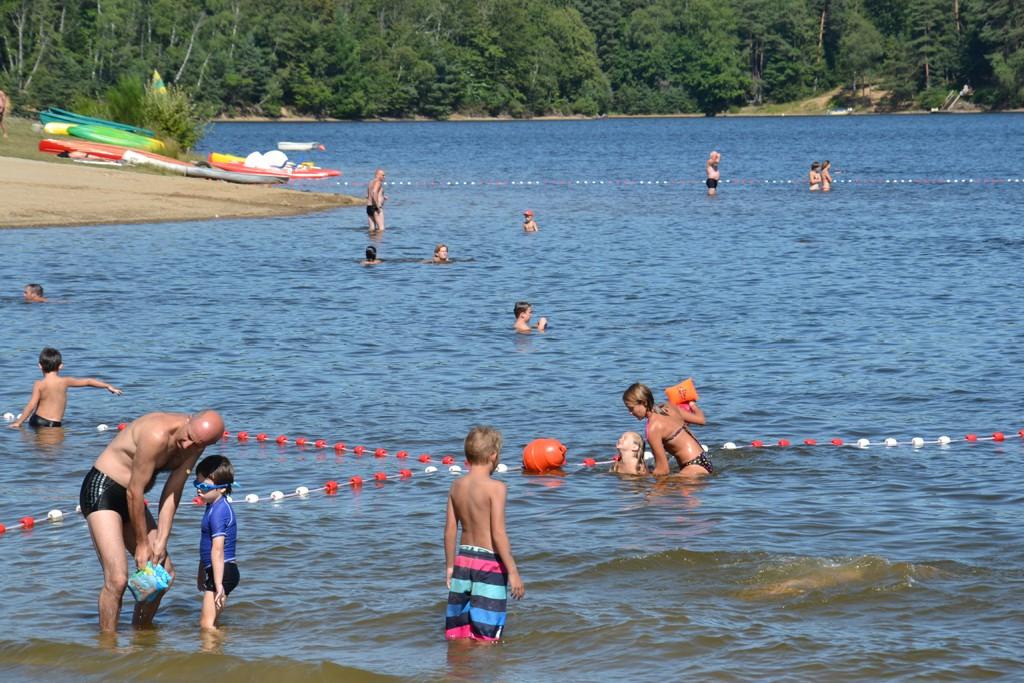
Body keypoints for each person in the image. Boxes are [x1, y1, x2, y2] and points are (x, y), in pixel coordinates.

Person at [79, 409, 225, 632]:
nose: (187, 446)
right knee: (117, 579)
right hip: (103, 490)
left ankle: (140, 634)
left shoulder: (196, 443)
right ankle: (107, 646)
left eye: (195, 444)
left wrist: (162, 540)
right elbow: (134, 492)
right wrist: (142, 543)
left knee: (164, 574)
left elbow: (173, 490)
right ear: (189, 419)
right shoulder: (155, 434)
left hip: (132, 500)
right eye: (187, 437)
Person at [444, 425, 525, 641]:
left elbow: (450, 530)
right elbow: (498, 534)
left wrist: (450, 566)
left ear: (467, 456)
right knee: (486, 634)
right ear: (493, 455)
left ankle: (459, 671)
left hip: (463, 562)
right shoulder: (496, 488)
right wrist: (514, 572)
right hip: (488, 565)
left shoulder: (456, 486)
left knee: (459, 631)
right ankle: (484, 671)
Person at [9, 347, 122, 429]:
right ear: (61, 366)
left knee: (42, 453)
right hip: (56, 424)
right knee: (56, 453)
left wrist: (18, 423)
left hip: (38, 421)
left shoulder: (39, 384)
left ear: (40, 366)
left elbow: (31, 405)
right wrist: (108, 386)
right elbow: (88, 381)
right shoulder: (65, 381)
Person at [622, 383, 712, 477]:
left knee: (653, 487)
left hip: (693, 468)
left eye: (631, 408)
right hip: (703, 460)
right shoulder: (668, 406)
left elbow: (663, 470)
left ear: (643, 403)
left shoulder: (653, 428)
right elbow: (701, 420)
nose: (630, 413)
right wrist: (692, 404)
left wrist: (642, 476)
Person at [194, 455, 239, 631]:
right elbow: (205, 544)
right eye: (196, 484)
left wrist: (218, 584)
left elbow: (218, 550)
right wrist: (201, 572)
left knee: (206, 626)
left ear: (221, 489)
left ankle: (215, 652)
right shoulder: (211, 505)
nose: (199, 490)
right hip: (217, 570)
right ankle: (220, 651)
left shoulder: (220, 511)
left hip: (223, 570)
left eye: (204, 486)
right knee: (212, 624)